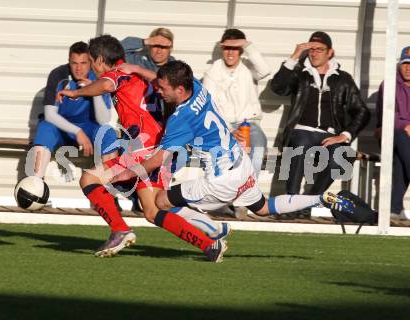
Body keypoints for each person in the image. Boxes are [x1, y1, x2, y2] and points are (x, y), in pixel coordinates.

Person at [111, 60, 356, 260]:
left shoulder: (180, 119)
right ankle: (321, 198)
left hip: (220, 180)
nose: (158, 91)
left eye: (162, 88)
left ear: (179, 90)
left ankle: (215, 232)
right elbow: (161, 77)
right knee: (263, 208)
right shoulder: (196, 87)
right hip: (241, 164)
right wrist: (137, 69)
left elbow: (157, 159)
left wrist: (127, 172)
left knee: (161, 201)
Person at [56, 35, 231, 262]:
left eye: (90, 61)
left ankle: (120, 230)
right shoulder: (140, 74)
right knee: (153, 210)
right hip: (159, 146)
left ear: (100, 60)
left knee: (89, 179)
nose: (91, 68)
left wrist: (76, 92)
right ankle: (210, 245)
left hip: (142, 150)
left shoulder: (119, 72)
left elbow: (108, 83)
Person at [270, 31, 370, 216]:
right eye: (311, 49)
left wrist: (344, 135)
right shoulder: (300, 74)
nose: (314, 53)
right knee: (299, 147)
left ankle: (309, 202)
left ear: (330, 52)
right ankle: (291, 202)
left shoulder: (342, 78)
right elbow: (278, 87)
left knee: (345, 155)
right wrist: (294, 56)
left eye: (319, 50)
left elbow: (362, 111)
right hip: (302, 131)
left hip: (330, 135)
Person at [30, 41, 118, 179]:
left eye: (83, 63)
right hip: (61, 129)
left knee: (107, 132)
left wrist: (94, 90)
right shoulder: (58, 75)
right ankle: (35, 187)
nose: (78, 69)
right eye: (74, 63)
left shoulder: (99, 77)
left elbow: (103, 119)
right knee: (45, 128)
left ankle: (109, 190)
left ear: (90, 62)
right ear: (68, 62)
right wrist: (77, 131)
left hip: (89, 127)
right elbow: (49, 114)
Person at [203, 28, 270, 177]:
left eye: (235, 48)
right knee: (224, 156)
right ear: (222, 49)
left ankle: (249, 188)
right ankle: (229, 191)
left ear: (241, 50)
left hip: (249, 123)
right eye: (227, 48)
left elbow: (265, 70)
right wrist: (228, 129)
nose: (230, 53)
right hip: (223, 126)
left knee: (258, 146)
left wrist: (247, 45)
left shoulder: (248, 66)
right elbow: (209, 107)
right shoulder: (212, 72)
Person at [375, 46, 410, 220]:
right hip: (390, 134)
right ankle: (394, 207)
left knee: (401, 160)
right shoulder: (389, 84)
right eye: (405, 63)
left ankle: (394, 208)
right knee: (402, 139)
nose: (408, 67)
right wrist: (407, 126)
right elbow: (389, 117)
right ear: (399, 65)